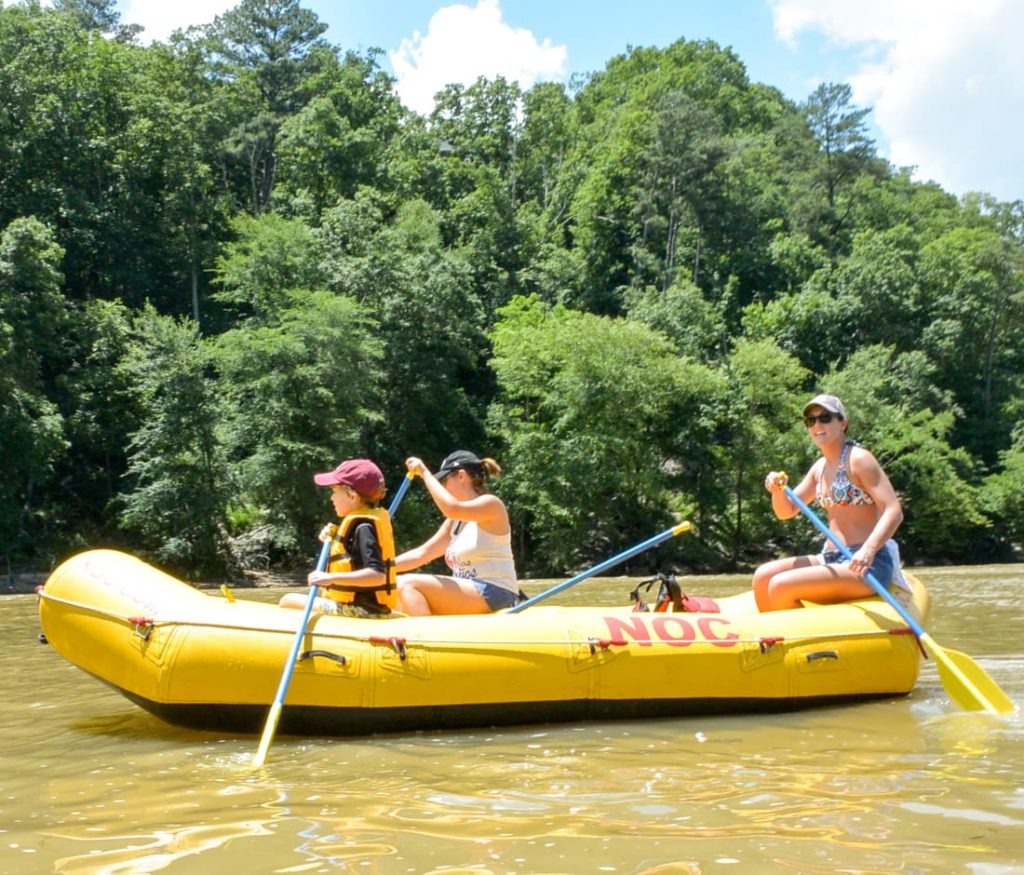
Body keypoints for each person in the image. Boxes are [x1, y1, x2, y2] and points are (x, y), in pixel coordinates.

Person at [752, 394, 904, 612]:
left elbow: (893, 510)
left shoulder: (859, 459)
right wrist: (777, 491)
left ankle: (795, 632)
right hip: (831, 557)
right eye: (810, 421)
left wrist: (868, 551)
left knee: (780, 585)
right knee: (762, 577)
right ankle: (775, 632)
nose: (817, 425)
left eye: (825, 418)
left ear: (843, 423)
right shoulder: (819, 468)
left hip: (867, 561)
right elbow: (786, 511)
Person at [394, 450, 521, 615]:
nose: (443, 486)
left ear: (461, 476)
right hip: (472, 593)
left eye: (444, 480)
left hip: (498, 592)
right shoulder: (455, 521)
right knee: (395, 587)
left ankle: (425, 632)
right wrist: (380, 567)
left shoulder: (491, 505)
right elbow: (421, 554)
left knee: (406, 584)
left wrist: (424, 473)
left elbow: (452, 509)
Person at [279, 458, 398, 616]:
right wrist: (335, 534)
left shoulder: (363, 528)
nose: (331, 498)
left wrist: (330, 578)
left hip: (360, 610)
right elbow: (352, 552)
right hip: (363, 608)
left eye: (334, 492)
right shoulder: (361, 525)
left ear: (352, 497)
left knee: (288, 600)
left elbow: (377, 576)